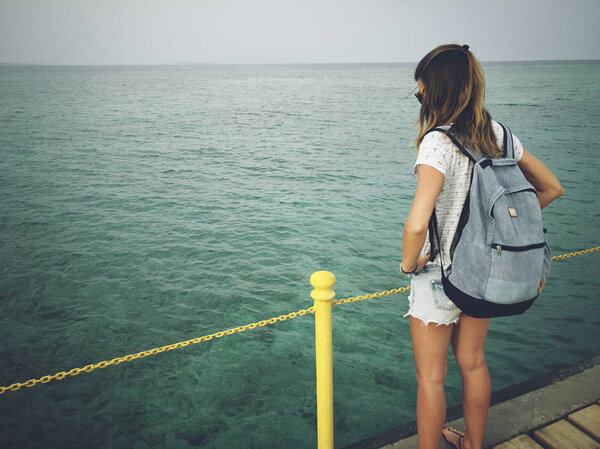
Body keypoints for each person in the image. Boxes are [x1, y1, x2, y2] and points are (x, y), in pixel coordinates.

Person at [399, 44, 564, 449]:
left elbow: (418, 223)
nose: (418, 100)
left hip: (440, 274)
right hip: (487, 271)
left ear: (435, 91)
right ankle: (473, 443)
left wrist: (408, 265)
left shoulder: (436, 144)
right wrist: (496, 233)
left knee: (431, 379)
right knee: (473, 364)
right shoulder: (500, 134)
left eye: (419, 92)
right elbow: (551, 188)